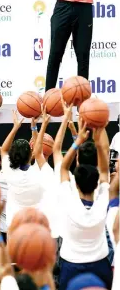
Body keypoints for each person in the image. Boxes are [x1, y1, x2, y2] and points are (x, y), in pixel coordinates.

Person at [59, 120, 113, 290]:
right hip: (99, 264)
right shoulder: (103, 199)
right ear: (97, 183)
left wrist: (78, 141)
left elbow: (62, 168)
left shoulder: (68, 199)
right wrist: (98, 142)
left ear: (76, 184)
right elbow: (105, 171)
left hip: (71, 264)